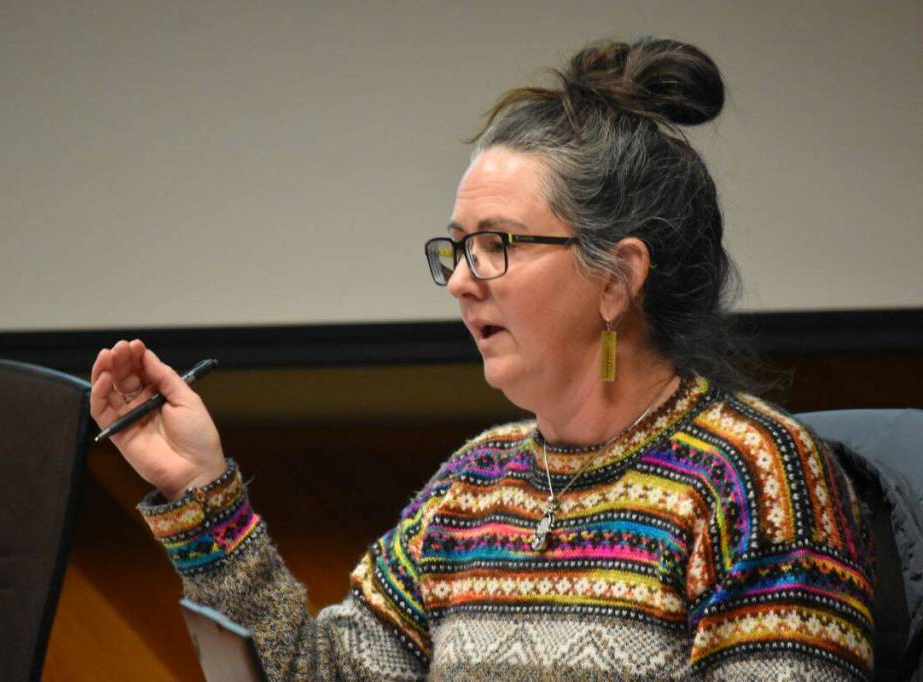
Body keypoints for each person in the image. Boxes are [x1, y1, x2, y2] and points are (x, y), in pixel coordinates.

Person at [90, 37, 874, 680]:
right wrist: (199, 491)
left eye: (496, 244)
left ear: (617, 277)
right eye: (458, 249)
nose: (463, 281)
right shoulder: (473, 484)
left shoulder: (755, 479)